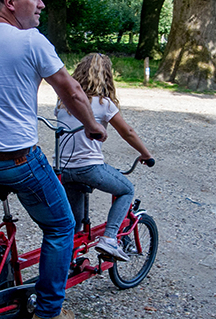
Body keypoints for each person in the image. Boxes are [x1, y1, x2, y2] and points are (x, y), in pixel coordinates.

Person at [0, 0, 107, 319]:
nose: (41, 4)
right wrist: (92, 125)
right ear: (10, 2)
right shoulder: (32, 41)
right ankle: (49, 308)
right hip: (17, 160)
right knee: (61, 225)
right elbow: (71, 92)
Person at [55, 53, 152, 261]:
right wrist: (145, 154)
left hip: (63, 169)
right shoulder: (104, 103)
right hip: (88, 168)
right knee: (126, 190)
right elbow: (128, 132)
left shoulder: (63, 102)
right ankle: (109, 239)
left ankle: (68, 260)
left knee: (75, 220)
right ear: (107, 76)